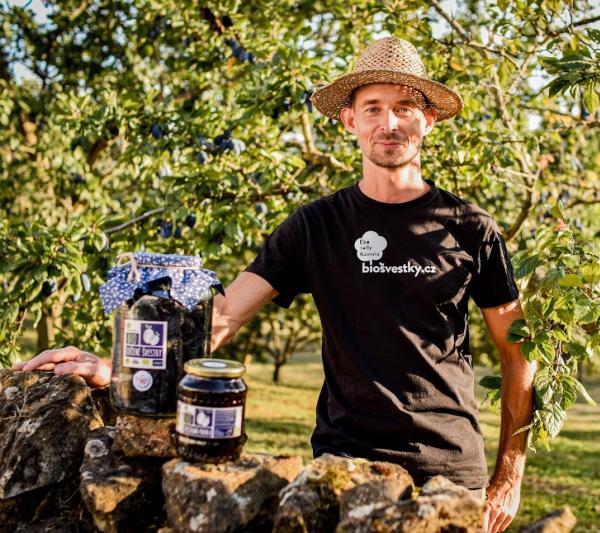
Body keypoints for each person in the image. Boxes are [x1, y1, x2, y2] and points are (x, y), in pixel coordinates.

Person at [13, 36, 535, 533]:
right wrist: (124, 369)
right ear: (349, 120)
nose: (389, 122)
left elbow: (517, 353)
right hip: (346, 466)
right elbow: (225, 315)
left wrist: (509, 476)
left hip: (451, 472)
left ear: (429, 118)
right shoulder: (315, 226)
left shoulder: (471, 228)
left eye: (404, 107)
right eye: (373, 108)